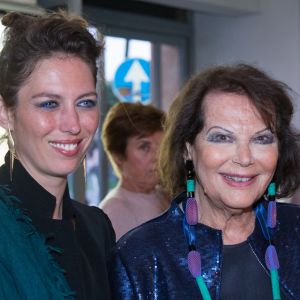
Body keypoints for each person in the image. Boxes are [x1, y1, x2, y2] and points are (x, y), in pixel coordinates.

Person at [108, 64, 300, 299]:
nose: (244, 158)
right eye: (222, 137)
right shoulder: (141, 258)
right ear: (188, 149)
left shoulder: (296, 231)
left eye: (262, 139)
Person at [0, 11, 115, 299]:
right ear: (5, 112)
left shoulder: (96, 227)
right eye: (50, 104)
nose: (73, 124)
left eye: (85, 103)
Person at [99, 102, 170, 240]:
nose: (158, 156)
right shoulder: (113, 212)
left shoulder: (165, 196)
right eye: (144, 147)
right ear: (118, 156)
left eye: (161, 146)